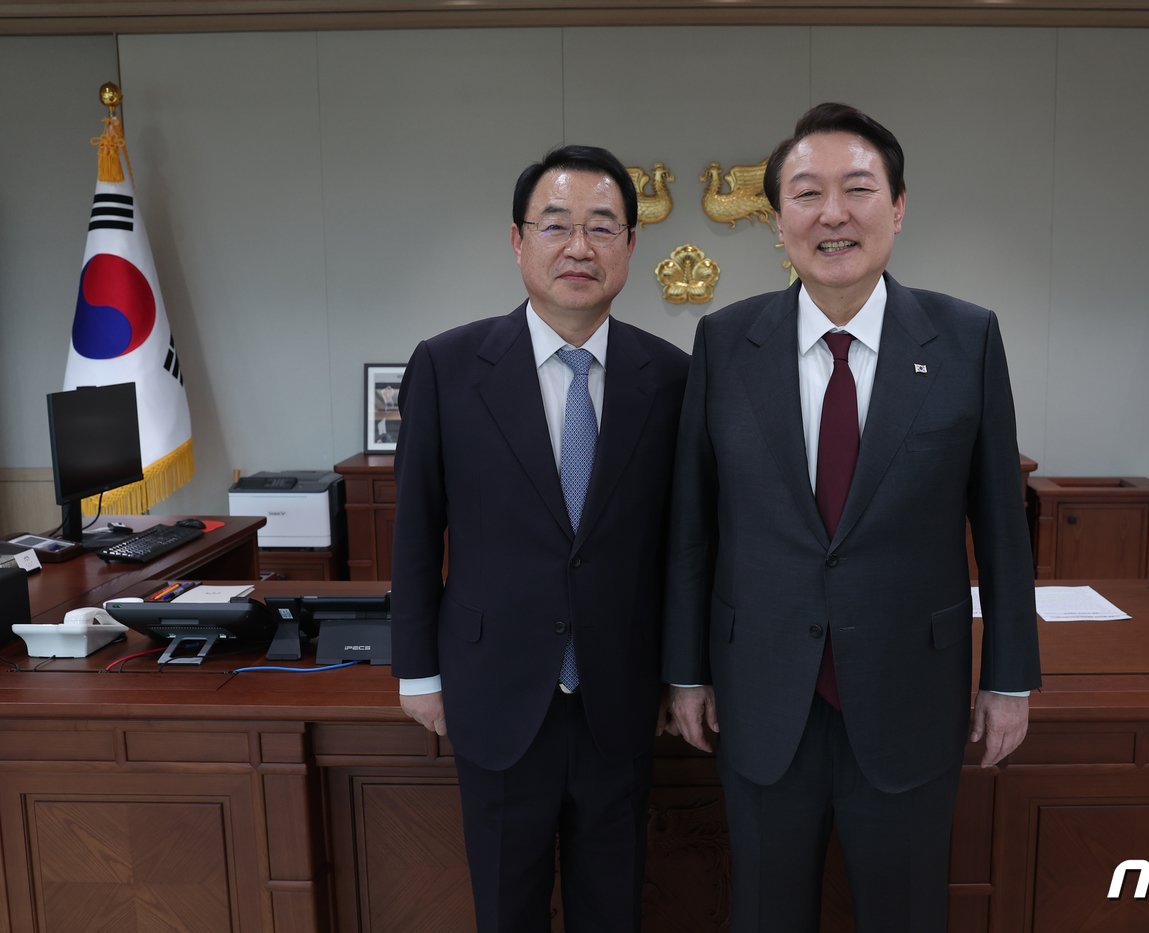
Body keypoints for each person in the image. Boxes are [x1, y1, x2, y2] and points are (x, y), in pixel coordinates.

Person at [662, 103, 1041, 932]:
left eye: (858, 189)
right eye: (806, 193)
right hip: (759, 695)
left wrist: (1009, 678)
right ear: (778, 221)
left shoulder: (965, 338)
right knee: (764, 912)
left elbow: (1002, 531)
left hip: (912, 693)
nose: (833, 213)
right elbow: (695, 525)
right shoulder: (726, 342)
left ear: (898, 208)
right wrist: (686, 670)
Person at [392, 144, 689, 933]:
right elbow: (416, 531)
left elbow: (686, 546)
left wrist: (683, 668)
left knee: (612, 907)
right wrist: (416, 671)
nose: (579, 247)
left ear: (629, 244)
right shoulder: (448, 366)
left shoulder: (671, 377)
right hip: (491, 694)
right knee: (506, 908)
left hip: (622, 698)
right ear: (518, 241)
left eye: (602, 226)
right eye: (556, 225)